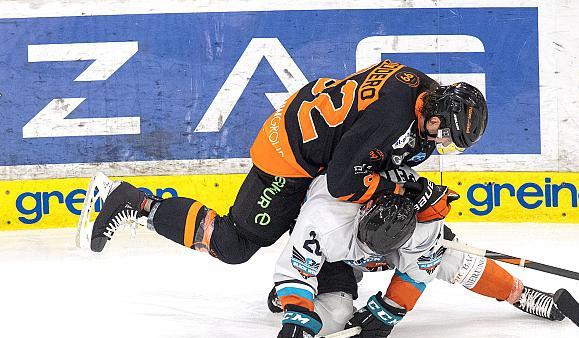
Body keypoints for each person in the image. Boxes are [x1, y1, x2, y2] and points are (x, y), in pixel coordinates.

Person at [77, 60, 488, 271]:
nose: (441, 142)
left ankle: (292, 285)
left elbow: (363, 147)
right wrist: (401, 192)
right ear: (434, 114)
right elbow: (346, 182)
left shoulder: (422, 89)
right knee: (234, 245)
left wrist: (403, 190)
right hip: (289, 157)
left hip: (316, 143)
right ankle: (135, 201)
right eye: (444, 133)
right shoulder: (392, 118)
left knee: (324, 230)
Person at [267, 167, 563, 338]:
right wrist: (297, 314)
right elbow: (294, 269)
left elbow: (417, 272)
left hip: (395, 242)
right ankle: (291, 297)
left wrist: (389, 310)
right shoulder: (324, 218)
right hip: (336, 254)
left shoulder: (425, 226)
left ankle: (521, 294)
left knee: (460, 261)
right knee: (334, 317)